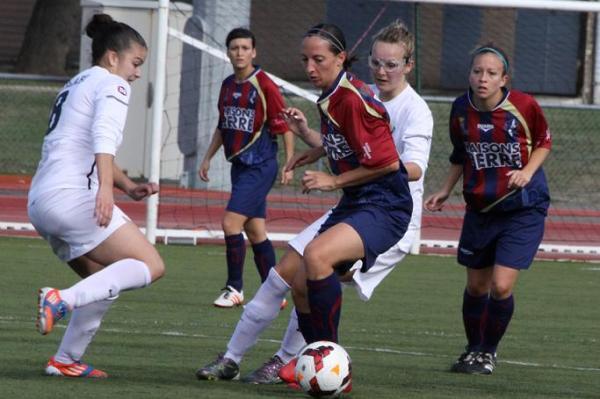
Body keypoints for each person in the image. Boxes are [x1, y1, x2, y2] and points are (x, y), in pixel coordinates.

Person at [196, 21, 425, 385]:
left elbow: (386, 164)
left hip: (385, 206)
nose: (309, 68)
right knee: (298, 278)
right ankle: (303, 359)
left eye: (318, 59)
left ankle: (330, 361)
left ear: (341, 58)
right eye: (305, 59)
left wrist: (332, 179)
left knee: (316, 257)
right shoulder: (333, 94)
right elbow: (348, 143)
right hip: (357, 202)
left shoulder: (352, 98)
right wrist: (312, 146)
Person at [28, 13, 165, 378]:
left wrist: (127, 186)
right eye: (136, 63)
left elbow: (83, 146)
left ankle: (65, 361)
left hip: (41, 202)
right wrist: (105, 189)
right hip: (73, 199)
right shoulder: (113, 84)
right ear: (112, 57)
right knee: (152, 265)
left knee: (102, 282)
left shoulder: (77, 82)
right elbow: (103, 136)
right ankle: (60, 300)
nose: (137, 73)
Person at [424, 44, 552, 375]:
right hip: (480, 208)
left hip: (522, 208)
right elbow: (460, 154)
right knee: (476, 287)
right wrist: (445, 189)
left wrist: (527, 172)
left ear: (503, 78)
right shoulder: (460, 109)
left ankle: (488, 352)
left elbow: (544, 142)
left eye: (491, 73)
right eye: (477, 71)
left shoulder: (523, 105)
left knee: (501, 285)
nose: (483, 78)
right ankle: (472, 349)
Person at [198, 27, 294, 308]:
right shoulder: (227, 85)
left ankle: (234, 288)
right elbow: (223, 125)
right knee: (255, 232)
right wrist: (207, 157)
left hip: (260, 166)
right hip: (239, 167)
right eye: (234, 48)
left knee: (229, 223)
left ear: (254, 52)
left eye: (244, 48)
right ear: (228, 52)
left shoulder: (264, 85)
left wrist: (289, 162)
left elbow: (283, 126)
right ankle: (274, 293)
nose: (239, 53)